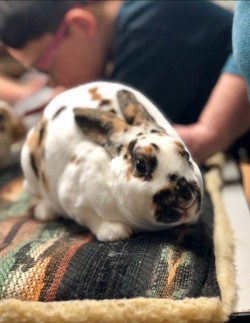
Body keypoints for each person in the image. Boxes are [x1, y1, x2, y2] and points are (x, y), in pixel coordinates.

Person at [0, 0, 247, 164]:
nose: (53, 83)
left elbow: (111, 143)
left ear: (80, 24)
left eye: (48, 68)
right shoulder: (130, 24)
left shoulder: (150, 26)